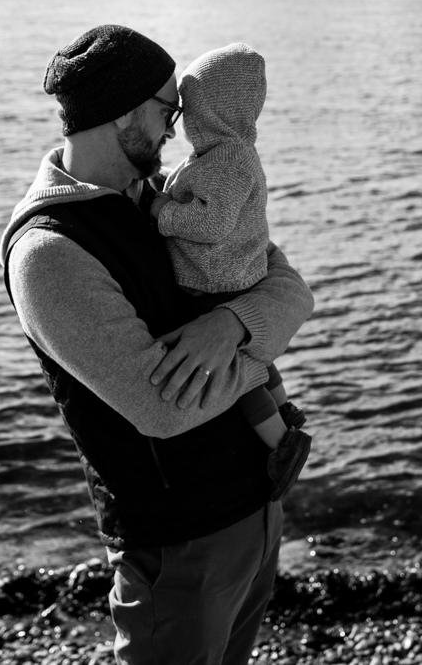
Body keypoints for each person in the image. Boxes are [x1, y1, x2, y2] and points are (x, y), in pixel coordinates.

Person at [0, 24, 315, 665]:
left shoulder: (158, 193)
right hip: (178, 542)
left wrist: (229, 326)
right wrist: (259, 338)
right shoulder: (51, 252)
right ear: (123, 115)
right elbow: (162, 410)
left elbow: (290, 287)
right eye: (168, 107)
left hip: (254, 510)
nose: (177, 124)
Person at [149, 42, 311, 502]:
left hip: (217, 281)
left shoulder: (228, 160)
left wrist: (161, 211)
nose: (181, 121)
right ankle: (286, 415)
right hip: (234, 274)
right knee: (258, 361)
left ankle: (281, 445)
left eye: (190, 108)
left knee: (237, 374)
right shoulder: (223, 155)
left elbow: (210, 222)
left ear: (213, 110)